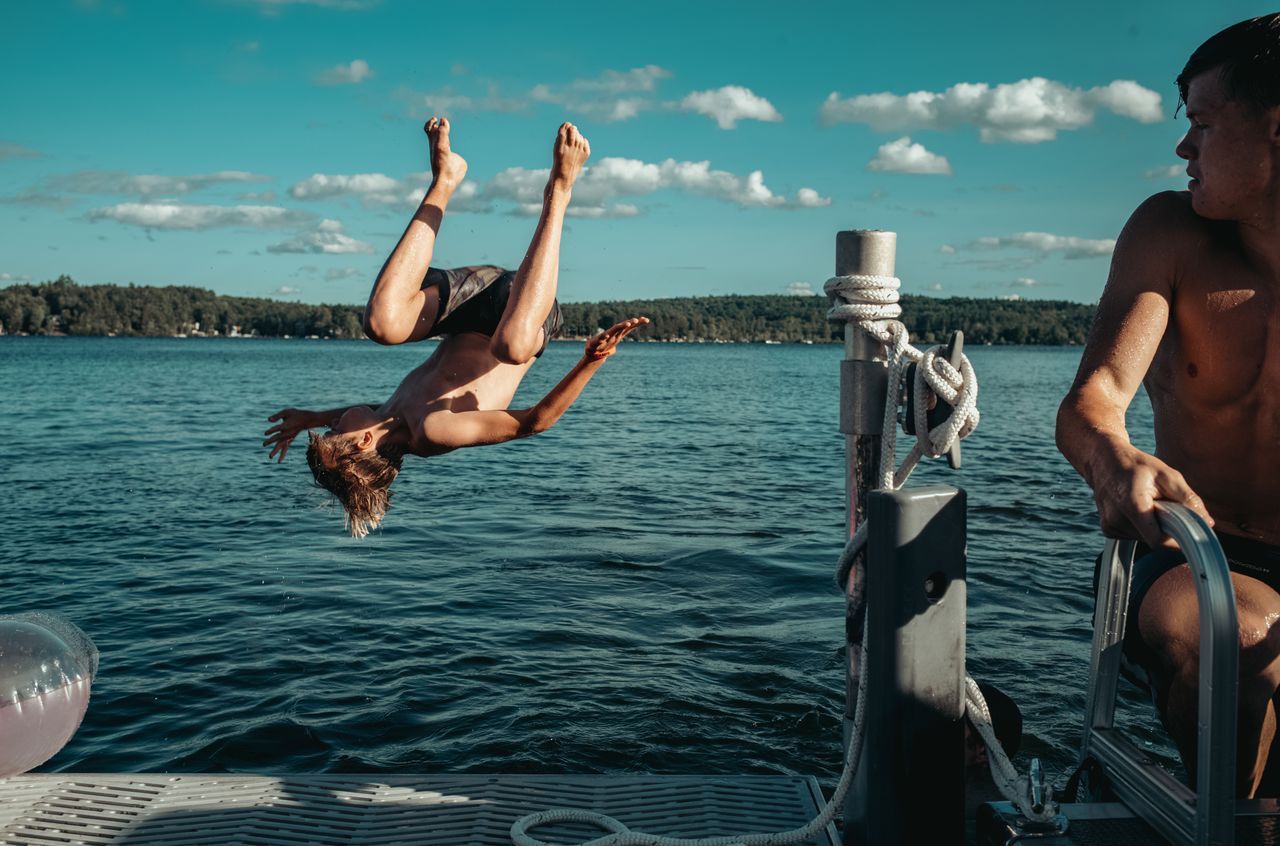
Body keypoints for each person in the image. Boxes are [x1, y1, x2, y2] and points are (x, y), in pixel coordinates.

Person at [1056, 14, 1280, 797]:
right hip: (1194, 556)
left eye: (1204, 125)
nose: (1184, 148)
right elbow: (1092, 402)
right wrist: (1111, 457)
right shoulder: (1168, 232)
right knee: (1238, 639)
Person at [263, 118, 649, 537]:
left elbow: (368, 412)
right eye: (334, 431)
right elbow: (532, 422)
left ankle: (444, 179)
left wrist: (310, 416)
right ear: (363, 443)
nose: (331, 424)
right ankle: (560, 188)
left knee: (381, 324)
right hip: (522, 310)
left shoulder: (386, 415)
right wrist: (591, 360)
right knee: (510, 347)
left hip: (469, 300)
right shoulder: (433, 432)